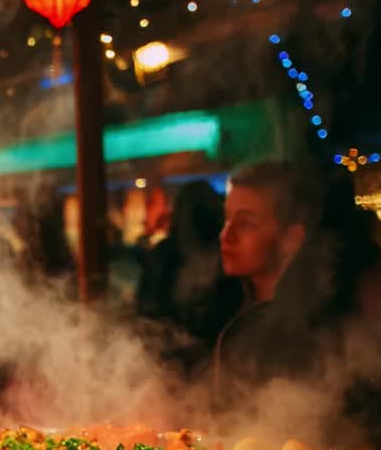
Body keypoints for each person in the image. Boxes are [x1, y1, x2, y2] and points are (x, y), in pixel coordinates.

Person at [211, 162, 328, 409]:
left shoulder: (315, 328)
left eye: (245, 223)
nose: (226, 235)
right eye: (226, 219)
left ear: (291, 239)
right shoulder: (229, 309)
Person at [136, 181, 243, 368]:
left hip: (204, 363)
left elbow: (145, 309)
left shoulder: (225, 259)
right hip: (189, 360)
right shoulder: (167, 254)